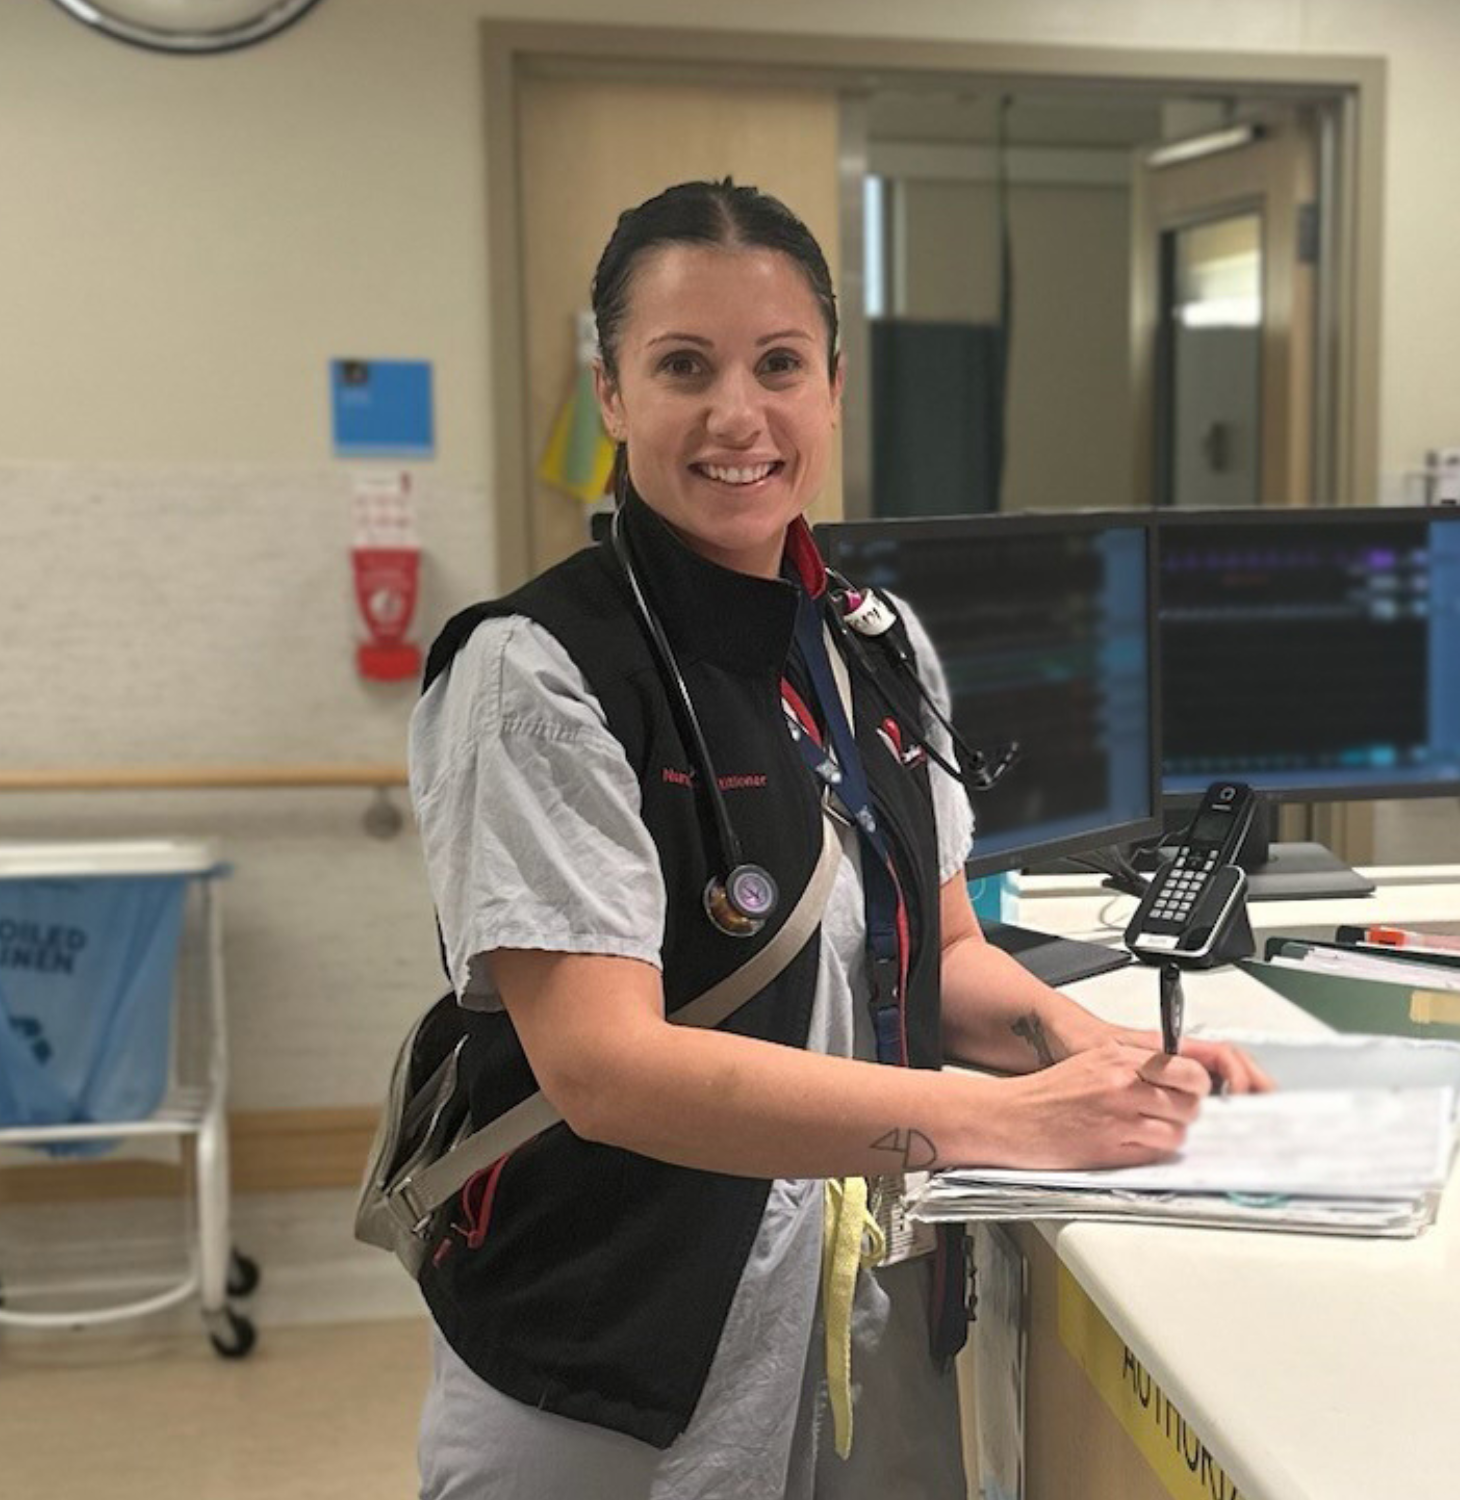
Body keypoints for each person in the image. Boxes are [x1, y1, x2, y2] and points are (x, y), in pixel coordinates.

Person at [407, 177, 1272, 1500]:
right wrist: (1013, 1122)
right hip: (615, 1356)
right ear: (613, 395)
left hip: (866, 1325)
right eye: (683, 366)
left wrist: (1099, 1056)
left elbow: (948, 952)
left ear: (832, 388)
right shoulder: (537, 673)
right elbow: (607, 1068)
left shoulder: (874, 645)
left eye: (778, 365)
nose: (737, 414)